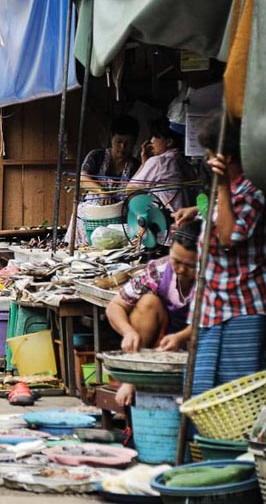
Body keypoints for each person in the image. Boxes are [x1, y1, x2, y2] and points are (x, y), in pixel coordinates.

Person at [173, 121, 266, 397]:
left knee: (237, 396)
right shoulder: (227, 192)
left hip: (242, 310)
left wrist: (223, 186)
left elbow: (229, 237)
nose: (208, 160)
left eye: (211, 155)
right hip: (212, 310)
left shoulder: (252, 193)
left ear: (228, 159)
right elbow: (218, 218)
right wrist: (196, 211)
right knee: (201, 389)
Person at [106, 221, 201, 405]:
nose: (180, 269)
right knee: (149, 302)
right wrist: (129, 332)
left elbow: (212, 319)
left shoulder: (212, 277)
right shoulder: (158, 270)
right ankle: (133, 377)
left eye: (190, 265)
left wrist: (181, 337)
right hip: (160, 340)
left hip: (195, 340)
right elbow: (115, 306)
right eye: (176, 261)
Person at [127, 119, 198, 213]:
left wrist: (144, 164)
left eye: (156, 137)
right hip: (186, 218)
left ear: (169, 142)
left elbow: (130, 190)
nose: (152, 141)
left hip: (164, 221)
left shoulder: (159, 161)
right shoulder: (184, 160)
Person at [81, 115, 141, 195]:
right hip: (93, 205)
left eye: (128, 143)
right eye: (118, 142)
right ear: (111, 137)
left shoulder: (136, 166)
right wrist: (101, 191)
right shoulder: (96, 156)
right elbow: (83, 179)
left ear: (135, 142)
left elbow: (136, 190)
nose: (122, 147)